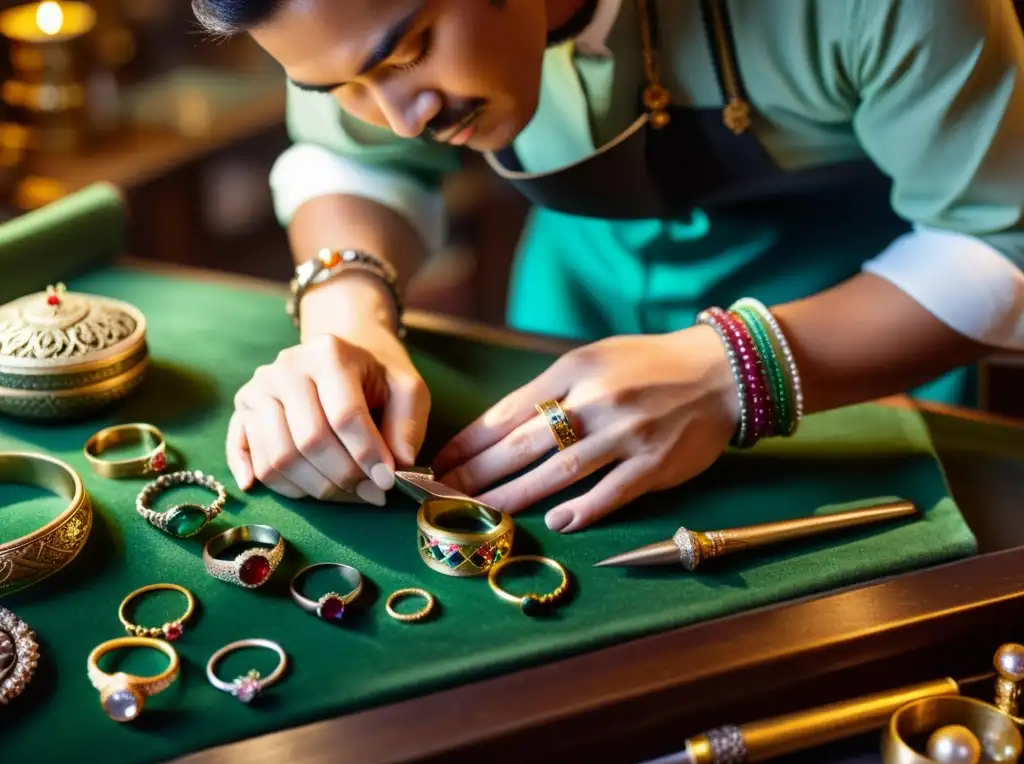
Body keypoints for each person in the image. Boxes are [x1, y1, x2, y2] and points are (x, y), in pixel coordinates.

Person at [191, 0, 1024, 534]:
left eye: (410, 49)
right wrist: (347, 318)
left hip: (861, 354)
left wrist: (734, 372)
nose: (399, 118)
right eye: (342, 85)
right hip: (568, 309)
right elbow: (361, 163)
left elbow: (998, 243)